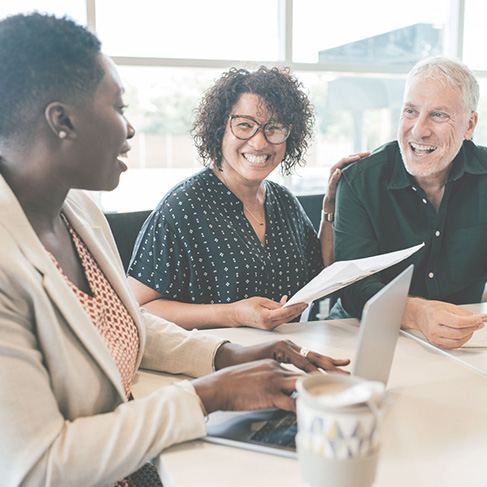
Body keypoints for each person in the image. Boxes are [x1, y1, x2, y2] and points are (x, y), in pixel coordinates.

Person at [0, 13, 350, 486]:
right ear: (62, 120)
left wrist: (228, 357)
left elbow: (125, 320)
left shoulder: (78, 212)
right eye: (118, 107)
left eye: (274, 128)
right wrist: (209, 394)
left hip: (139, 459)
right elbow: (38, 467)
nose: (130, 130)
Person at [127, 66, 367, 330]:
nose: (260, 142)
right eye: (245, 125)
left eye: (274, 128)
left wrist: (330, 205)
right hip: (215, 361)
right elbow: (139, 308)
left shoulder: (283, 201)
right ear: (219, 129)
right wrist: (233, 314)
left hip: (286, 354)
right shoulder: (182, 207)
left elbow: (321, 270)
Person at [334, 56, 487, 350]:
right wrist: (418, 314)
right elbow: (353, 287)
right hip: (363, 333)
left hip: (462, 340)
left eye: (438, 115)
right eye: (410, 111)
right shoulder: (359, 182)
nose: (418, 130)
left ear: (469, 125)